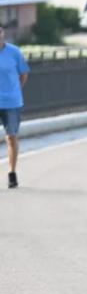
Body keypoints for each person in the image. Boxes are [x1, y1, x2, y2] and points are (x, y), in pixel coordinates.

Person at [0, 24, 29, 189]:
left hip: (11, 102)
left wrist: (14, 91)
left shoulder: (14, 52)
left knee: (11, 137)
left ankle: (12, 172)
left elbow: (24, 74)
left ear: (3, 33)